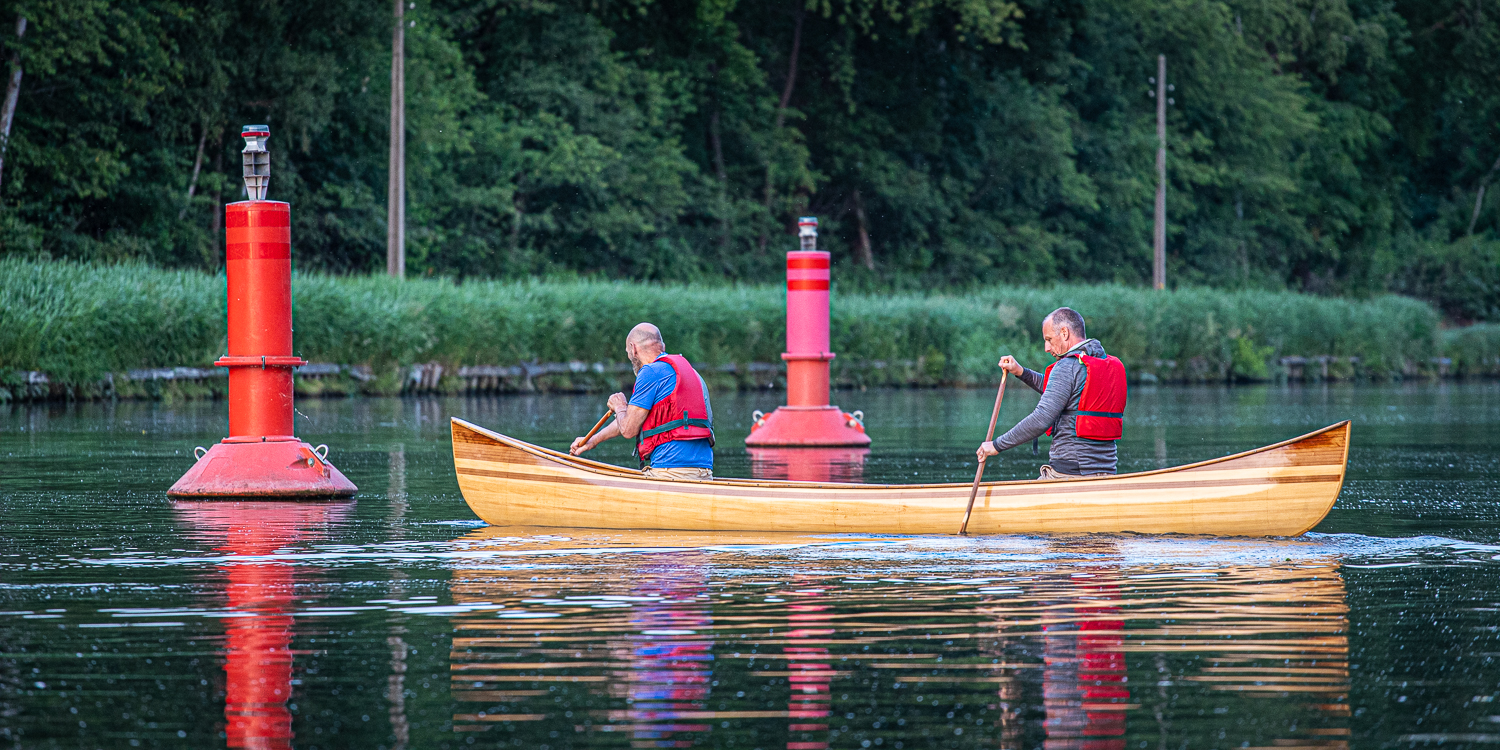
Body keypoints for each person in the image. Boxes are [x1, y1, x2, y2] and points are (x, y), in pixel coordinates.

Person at [975, 307, 1126, 479]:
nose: (1047, 347)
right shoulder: (1106, 364)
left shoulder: (1067, 367)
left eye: (1049, 339)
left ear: (1064, 333)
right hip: (1108, 471)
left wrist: (995, 445)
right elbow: (1061, 391)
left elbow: (1040, 420)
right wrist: (1021, 372)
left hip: (1069, 473)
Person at [569, 323, 715, 480]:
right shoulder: (692, 374)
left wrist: (619, 406)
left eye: (627, 352)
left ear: (633, 348)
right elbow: (633, 419)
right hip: (704, 473)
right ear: (662, 346)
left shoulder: (650, 372)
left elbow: (628, 429)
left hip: (670, 472)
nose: (629, 357)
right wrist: (594, 440)